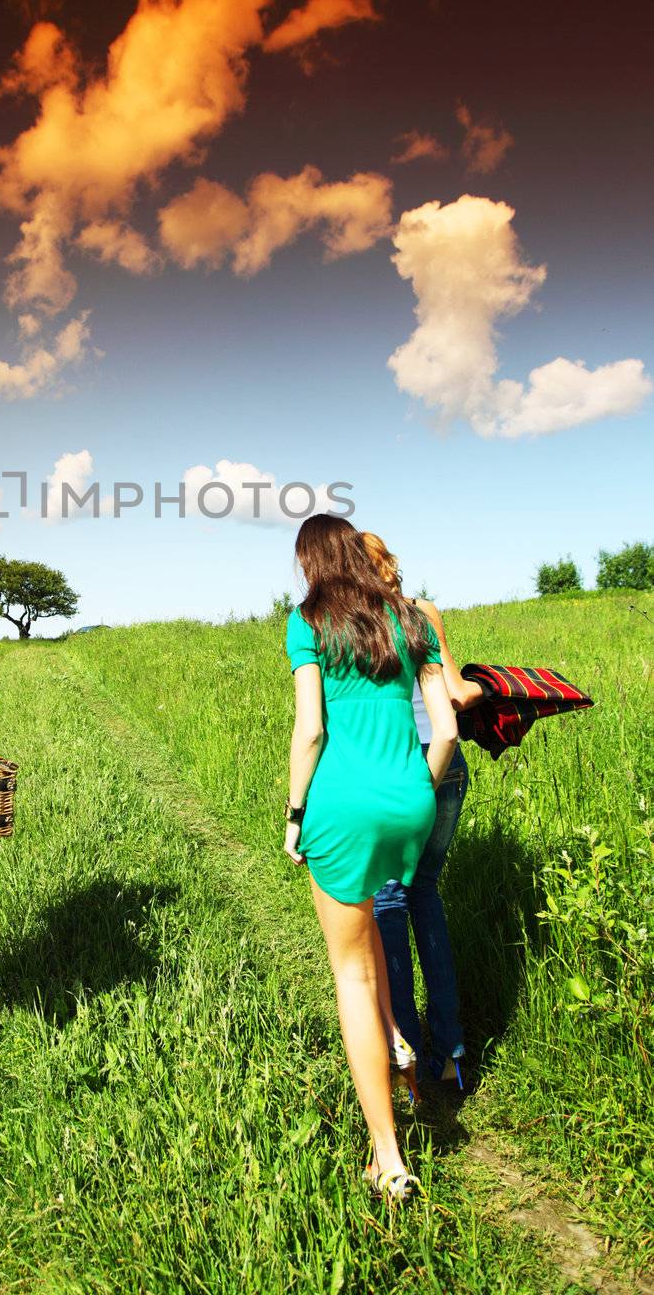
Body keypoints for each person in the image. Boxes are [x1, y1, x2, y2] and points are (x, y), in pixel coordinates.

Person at [284, 514, 457, 1200]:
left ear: (311, 563)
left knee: (350, 973)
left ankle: (387, 1156)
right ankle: (399, 1035)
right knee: (387, 925)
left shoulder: (309, 621)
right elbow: (443, 727)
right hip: (411, 797)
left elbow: (311, 729)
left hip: (342, 806)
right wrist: (418, 787)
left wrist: (296, 814)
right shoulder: (409, 619)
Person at [361, 533, 484, 1090]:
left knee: (388, 900)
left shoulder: (355, 625)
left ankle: (405, 1055)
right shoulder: (423, 613)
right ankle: (453, 1053)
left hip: (396, 774)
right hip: (447, 766)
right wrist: (492, 684)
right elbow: (456, 697)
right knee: (426, 895)